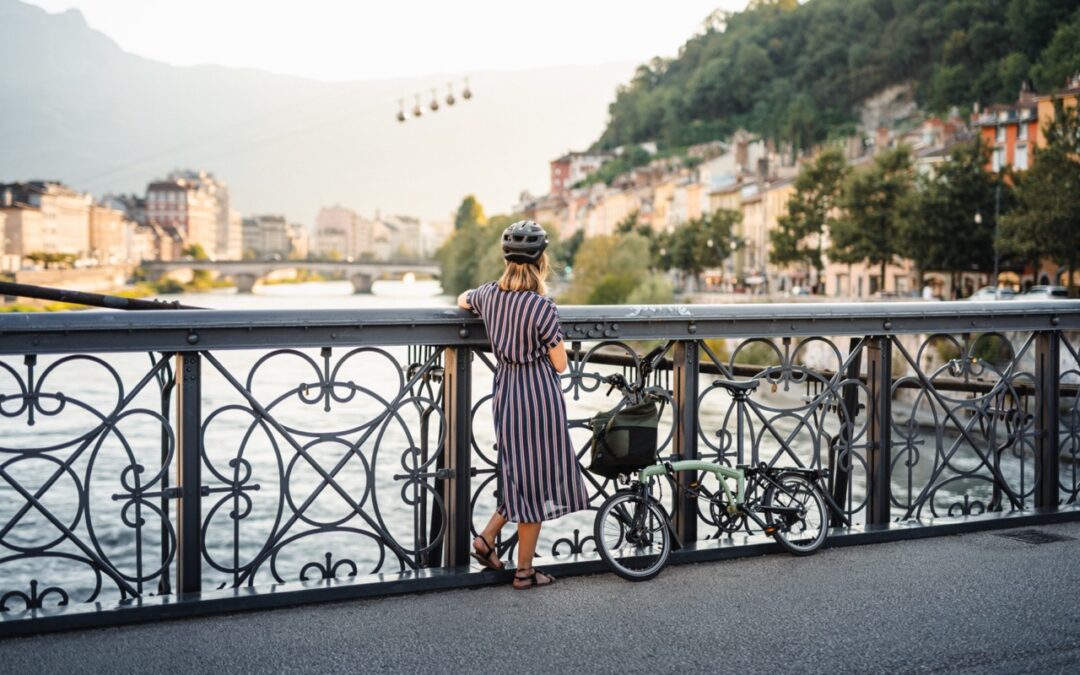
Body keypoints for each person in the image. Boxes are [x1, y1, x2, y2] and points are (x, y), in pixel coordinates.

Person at [457, 220, 589, 590]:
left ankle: (486, 539)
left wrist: (473, 298)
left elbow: (463, 299)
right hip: (538, 396)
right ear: (541, 261)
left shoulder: (488, 296)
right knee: (534, 480)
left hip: (506, 391)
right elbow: (560, 363)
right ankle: (524, 572)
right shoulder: (542, 306)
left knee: (519, 471)